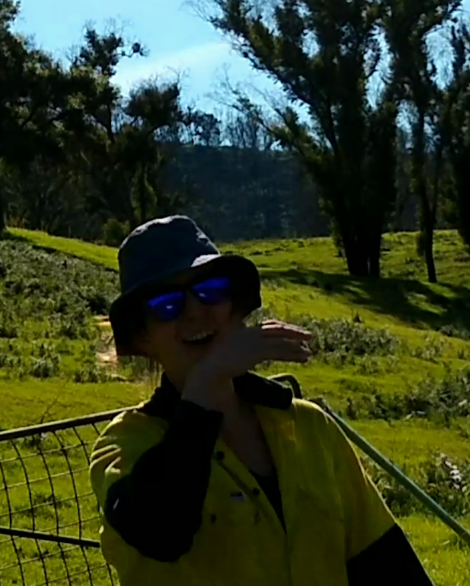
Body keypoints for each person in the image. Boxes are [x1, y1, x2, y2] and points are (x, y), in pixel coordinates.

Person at [88, 215, 433, 586]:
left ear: (236, 306)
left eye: (211, 289)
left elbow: (383, 562)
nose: (194, 310)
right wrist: (206, 384)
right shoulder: (124, 447)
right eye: (166, 304)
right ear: (142, 338)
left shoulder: (310, 427)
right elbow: (160, 532)